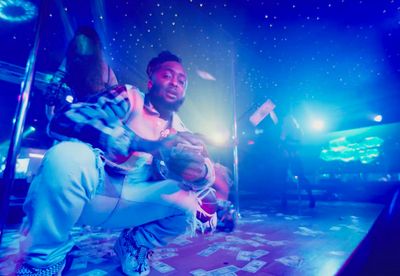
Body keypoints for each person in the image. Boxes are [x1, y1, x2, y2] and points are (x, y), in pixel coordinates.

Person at [16, 51, 215, 276]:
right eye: (167, 75)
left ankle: (134, 244)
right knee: (66, 156)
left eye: (181, 81)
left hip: (133, 202)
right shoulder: (129, 97)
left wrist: (200, 172)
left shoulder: (181, 129)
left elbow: (207, 176)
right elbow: (64, 120)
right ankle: (45, 258)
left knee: (189, 202)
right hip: (92, 194)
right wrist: (143, 144)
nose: (175, 84)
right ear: (151, 80)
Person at [44, 26, 118, 119]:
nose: (82, 45)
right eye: (79, 42)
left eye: (85, 42)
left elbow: (115, 95)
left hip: (97, 114)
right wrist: (50, 115)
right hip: (82, 113)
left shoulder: (104, 68)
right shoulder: (70, 62)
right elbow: (53, 88)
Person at [279, 111, 316, 208]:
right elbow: (284, 143)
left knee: (299, 177)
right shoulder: (293, 130)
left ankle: (310, 198)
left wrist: (288, 148)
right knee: (288, 178)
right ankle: (285, 200)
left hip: (293, 156)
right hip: (291, 156)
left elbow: (298, 144)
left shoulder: (296, 131)